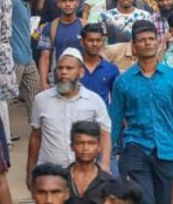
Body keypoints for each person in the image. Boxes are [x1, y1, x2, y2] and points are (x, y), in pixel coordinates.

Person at [109, 20, 173, 204]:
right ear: (134, 46)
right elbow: (114, 120)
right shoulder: (123, 81)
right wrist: (109, 155)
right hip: (136, 149)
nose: (147, 43)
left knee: (168, 200)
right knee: (144, 200)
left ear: (158, 41)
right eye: (142, 40)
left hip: (169, 150)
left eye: (151, 39)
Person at [27, 48, 112, 180]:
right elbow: (36, 137)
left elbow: (105, 135)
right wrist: (30, 170)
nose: (64, 72)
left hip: (84, 174)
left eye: (69, 68)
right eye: (60, 68)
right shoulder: (41, 100)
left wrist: (104, 166)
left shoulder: (94, 101)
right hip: (50, 174)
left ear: (81, 72)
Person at [38, 0, 86, 90]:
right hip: (59, 82)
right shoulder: (49, 28)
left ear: (77, 2)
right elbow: (44, 57)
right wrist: (43, 83)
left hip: (83, 81)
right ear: (58, 3)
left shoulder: (86, 27)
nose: (68, 4)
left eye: (71, 0)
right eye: (63, 1)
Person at [66, 121, 115, 202]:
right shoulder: (61, 179)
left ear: (99, 146)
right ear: (72, 146)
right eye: (80, 143)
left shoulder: (109, 182)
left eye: (91, 143)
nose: (85, 148)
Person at [79, 23, 120, 105]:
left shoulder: (111, 69)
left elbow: (116, 100)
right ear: (82, 42)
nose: (95, 44)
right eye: (90, 40)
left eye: (98, 40)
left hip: (102, 116)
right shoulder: (74, 67)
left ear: (103, 42)